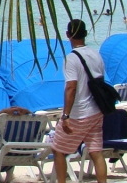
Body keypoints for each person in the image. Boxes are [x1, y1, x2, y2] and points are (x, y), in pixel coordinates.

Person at [53, 19, 107, 183]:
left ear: (68, 35)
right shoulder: (95, 54)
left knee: (58, 150)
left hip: (79, 112)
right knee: (96, 151)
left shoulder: (71, 58)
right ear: (85, 34)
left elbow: (71, 87)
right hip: (96, 110)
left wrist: (66, 115)